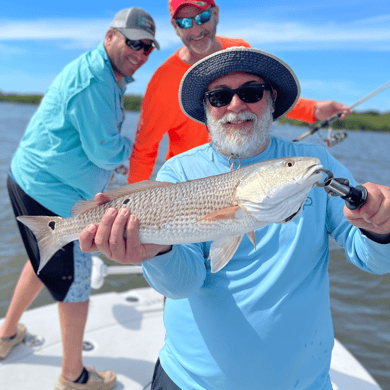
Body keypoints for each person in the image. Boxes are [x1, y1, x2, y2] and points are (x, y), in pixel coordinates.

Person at [79, 47, 390, 390]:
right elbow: (182, 285)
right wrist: (153, 253)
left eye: (251, 93)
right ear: (207, 108)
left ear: (271, 100)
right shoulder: (179, 171)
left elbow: (372, 260)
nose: (236, 105)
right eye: (219, 96)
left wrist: (382, 228)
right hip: (189, 380)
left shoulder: (312, 163)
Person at [0, 7, 159, 390]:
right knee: (76, 281)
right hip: (54, 192)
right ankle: (73, 376)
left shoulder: (105, 75)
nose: (140, 53)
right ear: (110, 37)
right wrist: (136, 151)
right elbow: (106, 151)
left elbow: (96, 145)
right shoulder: (96, 82)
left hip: (32, 179)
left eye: (148, 48)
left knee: (44, 257)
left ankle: (5, 335)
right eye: (133, 42)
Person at [127, 0, 352, 184]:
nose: (195, 30)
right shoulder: (162, 81)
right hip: (193, 184)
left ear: (215, 13)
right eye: (184, 22)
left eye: (202, 18)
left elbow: (258, 98)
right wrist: (131, 207)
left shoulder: (240, 49)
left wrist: (313, 109)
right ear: (175, 27)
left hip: (246, 176)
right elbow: (144, 150)